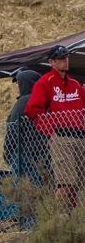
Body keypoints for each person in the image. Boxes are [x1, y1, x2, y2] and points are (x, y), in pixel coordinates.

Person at [24, 44, 85, 209]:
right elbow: (32, 110)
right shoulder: (45, 82)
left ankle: (72, 221)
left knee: (77, 186)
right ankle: (58, 221)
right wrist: (51, 131)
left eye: (66, 57)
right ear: (52, 62)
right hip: (61, 137)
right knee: (65, 185)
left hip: (80, 137)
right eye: (61, 58)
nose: (65, 60)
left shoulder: (75, 84)